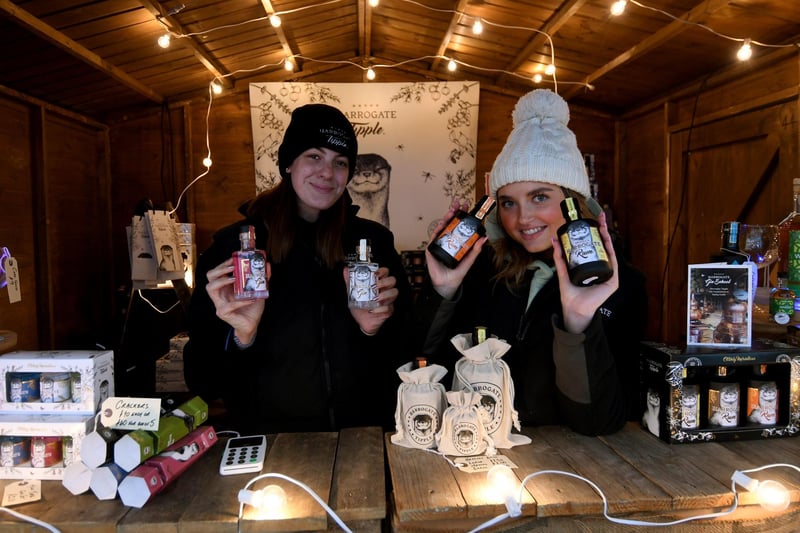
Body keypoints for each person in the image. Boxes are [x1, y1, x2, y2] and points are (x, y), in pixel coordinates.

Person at [420, 89, 648, 436]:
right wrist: (442, 292)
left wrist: (577, 323)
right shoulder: (483, 268)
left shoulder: (621, 285)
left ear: (572, 201)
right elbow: (421, 368)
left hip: (570, 472)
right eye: (508, 203)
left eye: (539, 197)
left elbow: (600, 421)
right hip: (471, 458)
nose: (523, 218)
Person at [183, 104, 412, 434]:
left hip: (361, 439)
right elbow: (203, 380)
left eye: (340, 162)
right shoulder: (234, 248)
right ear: (288, 163)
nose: (327, 172)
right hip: (269, 445)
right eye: (314, 157)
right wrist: (242, 337)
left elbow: (406, 354)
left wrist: (371, 332)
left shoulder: (373, 243)